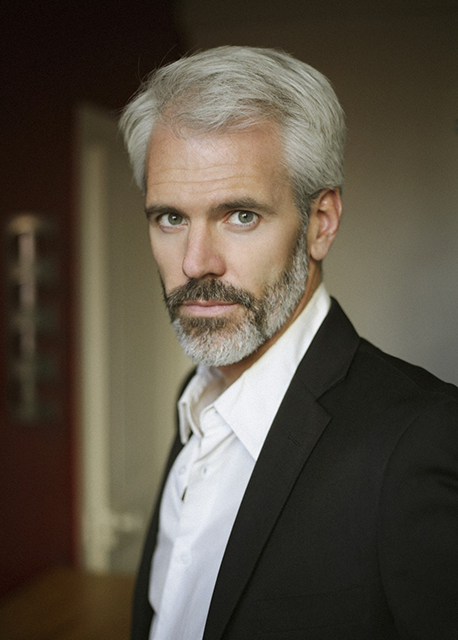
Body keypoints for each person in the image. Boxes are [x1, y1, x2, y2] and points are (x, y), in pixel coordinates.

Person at [120, 46, 458, 640]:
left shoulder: (423, 439)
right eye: (171, 218)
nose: (196, 263)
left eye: (240, 216)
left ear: (320, 223)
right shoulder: (196, 397)